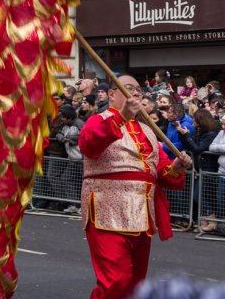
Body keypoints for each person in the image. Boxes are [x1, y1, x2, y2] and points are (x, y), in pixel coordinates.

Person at [78, 75, 193, 299]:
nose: (137, 93)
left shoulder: (149, 130)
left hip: (142, 215)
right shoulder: (98, 119)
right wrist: (121, 117)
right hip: (106, 210)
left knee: (135, 286)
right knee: (115, 282)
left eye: (139, 90)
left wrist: (177, 167)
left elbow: (161, 173)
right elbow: (88, 144)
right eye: (128, 88)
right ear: (111, 95)